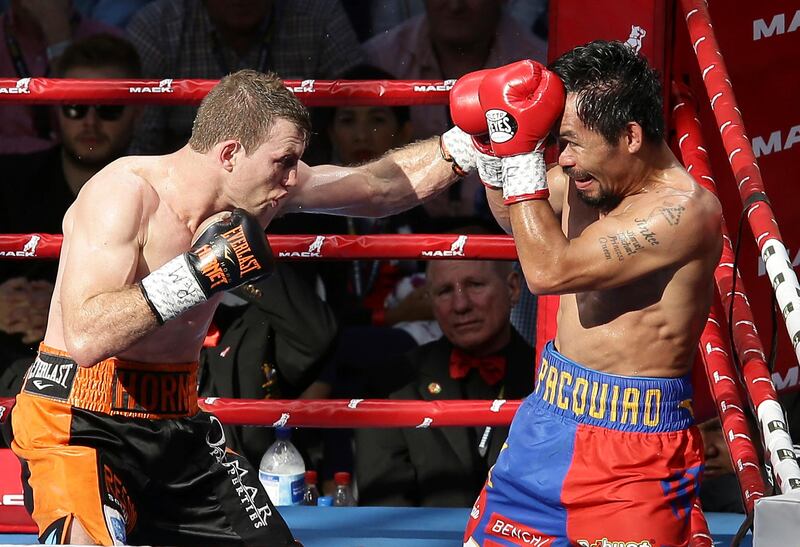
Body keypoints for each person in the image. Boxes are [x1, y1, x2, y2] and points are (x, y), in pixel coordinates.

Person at [10, 68, 471, 545]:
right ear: (230, 153)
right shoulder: (124, 194)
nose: (293, 178)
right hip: (78, 423)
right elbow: (86, 335)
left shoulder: (261, 191)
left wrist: (469, 146)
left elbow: (379, 187)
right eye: (283, 161)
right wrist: (195, 273)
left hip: (176, 422)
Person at [446, 42, 723, 545]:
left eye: (571, 142)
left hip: (635, 456)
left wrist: (520, 156)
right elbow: (519, 220)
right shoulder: (589, 180)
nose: (563, 159)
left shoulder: (682, 211)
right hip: (547, 420)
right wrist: (493, 156)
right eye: (556, 143)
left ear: (631, 135)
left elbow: (548, 271)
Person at [0, 33, 141, 387]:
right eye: (76, 107)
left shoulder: (158, 189)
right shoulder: (8, 180)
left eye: (109, 108)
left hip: (116, 367)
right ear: (56, 108)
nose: (90, 123)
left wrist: (56, 309)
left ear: (138, 111)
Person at [355, 259, 535, 507]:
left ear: (513, 289)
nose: (460, 305)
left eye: (475, 285)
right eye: (445, 291)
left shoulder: (552, 381)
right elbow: (385, 508)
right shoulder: (392, 382)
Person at [125, 0, 364, 154]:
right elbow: (141, 144)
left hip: (297, 187)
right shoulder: (157, 27)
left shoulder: (319, 18)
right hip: (185, 193)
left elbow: (363, 108)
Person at [0, 0, 121, 154]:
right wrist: (50, 155)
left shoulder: (111, 43)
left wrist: (58, 36)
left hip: (85, 173)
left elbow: (91, 133)